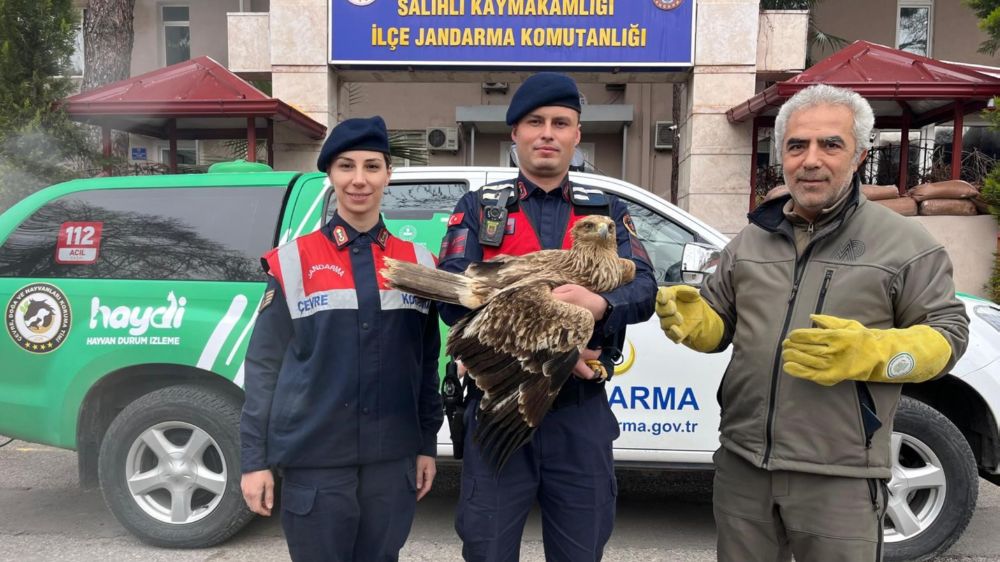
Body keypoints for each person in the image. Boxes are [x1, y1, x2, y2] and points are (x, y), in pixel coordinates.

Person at [655, 84, 969, 561]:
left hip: (840, 477)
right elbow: (721, 322)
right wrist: (697, 322)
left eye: (830, 144)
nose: (811, 159)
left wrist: (876, 354)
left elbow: (949, 337)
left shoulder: (905, 244)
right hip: (744, 468)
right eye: (797, 145)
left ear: (860, 155)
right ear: (781, 154)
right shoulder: (750, 241)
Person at [438, 72, 657, 561]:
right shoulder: (480, 209)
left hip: (578, 413)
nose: (547, 133)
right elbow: (453, 294)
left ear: (577, 135)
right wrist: (540, 338)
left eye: (561, 123)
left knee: (580, 550)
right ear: (514, 133)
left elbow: (644, 288)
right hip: (501, 398)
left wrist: (599, 306)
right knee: (488, 548)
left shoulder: (606, 212)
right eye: (534, 122)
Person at [239, 116, 443, 562]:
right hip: (315, 461)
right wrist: (254, 461)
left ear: (388, 174)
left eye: (372, 166)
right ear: (330, 175)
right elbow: (263, 368)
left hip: (392, 461)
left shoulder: (419, 264)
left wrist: (426, 444)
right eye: (346, 166)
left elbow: (426, 362)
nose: (359, 180)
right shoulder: (292, 261)